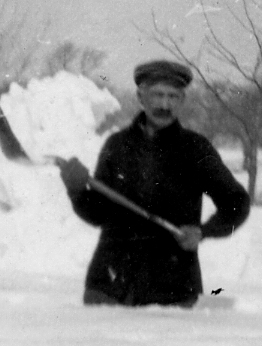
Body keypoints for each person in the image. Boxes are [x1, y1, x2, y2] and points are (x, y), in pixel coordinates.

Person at [57, 60, 250, 307]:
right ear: (141, 96)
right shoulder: (117, 146)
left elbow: (237, 202)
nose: (165, 105)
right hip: (108, 289)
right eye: (158, 95)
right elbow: (97, 214)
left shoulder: (196, 149)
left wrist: (204, 231)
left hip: (172, 294)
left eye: (173, 96)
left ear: (182, 100)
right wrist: (76, 190)